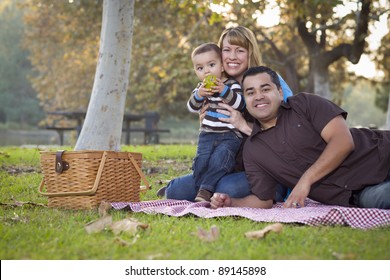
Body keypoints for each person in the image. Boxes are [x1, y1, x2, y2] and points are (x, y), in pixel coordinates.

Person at [210, 66, 390, 209]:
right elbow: (263, 200)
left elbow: (343, 141)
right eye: (250, 92)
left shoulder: (305, 104)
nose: (259, 96)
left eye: (265, 89)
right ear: (246, 101)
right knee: (384, 199)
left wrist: (306, 180)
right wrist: (232, 203)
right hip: (360, 193)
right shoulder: (254, 149)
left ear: (280, 92)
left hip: (381, 154)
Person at [157, 26, 293, 202]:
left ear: (250, 53)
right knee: (176, 191)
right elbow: (198, 107)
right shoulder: (216, 86)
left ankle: (210, 188)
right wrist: (206, 121)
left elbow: (286, 134)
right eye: (227, 50)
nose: (232, 57)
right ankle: (192, 187)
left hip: (265, 170)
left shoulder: (267, 81)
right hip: (232, 167)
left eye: (240, 50)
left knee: (225, 188)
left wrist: (243, 125)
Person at [187, 43, 245, 202]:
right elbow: (192, 106)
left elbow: (240, 104)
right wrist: (199, 94)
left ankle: (205, 190)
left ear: (221, 66)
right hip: (207, 134)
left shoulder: (231, 85)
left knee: (220, 159)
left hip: (229, 135)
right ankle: (199, 190)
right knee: (201, 162)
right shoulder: (201, 88)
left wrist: (223, 91)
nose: (206, 71)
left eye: (211, 65)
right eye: (200, 68)